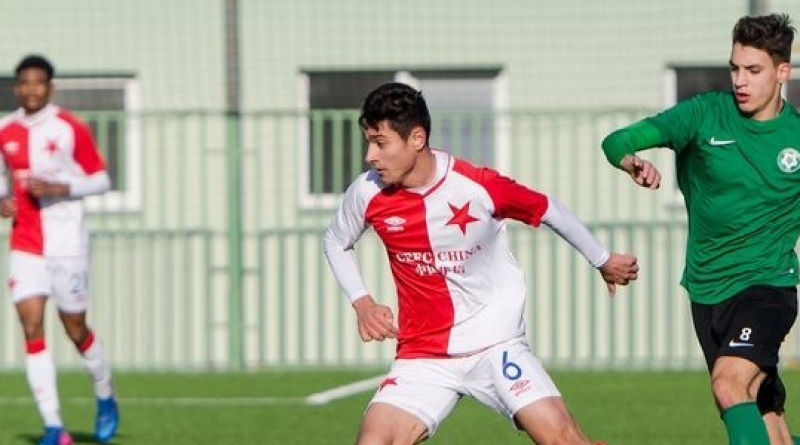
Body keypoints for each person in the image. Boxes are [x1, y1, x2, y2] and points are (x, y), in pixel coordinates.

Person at [323, 81, 639, 445]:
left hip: (496, 344)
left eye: (380, 143)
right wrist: (362, 302)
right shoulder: (367, 191)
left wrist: (602, 259)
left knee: (563, 440)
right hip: (423, 357)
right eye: (368, 142)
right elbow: (335, 240)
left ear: (417, 138)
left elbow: (548, 209)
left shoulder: (476, 186)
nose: (370, 156)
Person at [601, 13, 800, 445]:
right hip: (707, 290)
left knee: (728, 384)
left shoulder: (796, 137)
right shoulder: (704, 114)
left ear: (782, 72)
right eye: (734, 68)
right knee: (767, 420)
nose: (740, 81)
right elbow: (616, 140)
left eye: (753, 70)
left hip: (767, 288)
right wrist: (629, 160)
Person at [0, 55, 119, 445]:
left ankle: (105, 390)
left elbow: (101, 180)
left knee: (75, 328)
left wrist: (60, 188)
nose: (31, 89)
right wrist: (2, 201)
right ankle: (54, 426)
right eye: (24, 83)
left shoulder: (70, 127)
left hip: (68, 244)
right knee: (31, 326)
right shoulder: (5, 130)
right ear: (16, 87)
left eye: (38, 82)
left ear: (50, 87)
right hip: (26, 244)